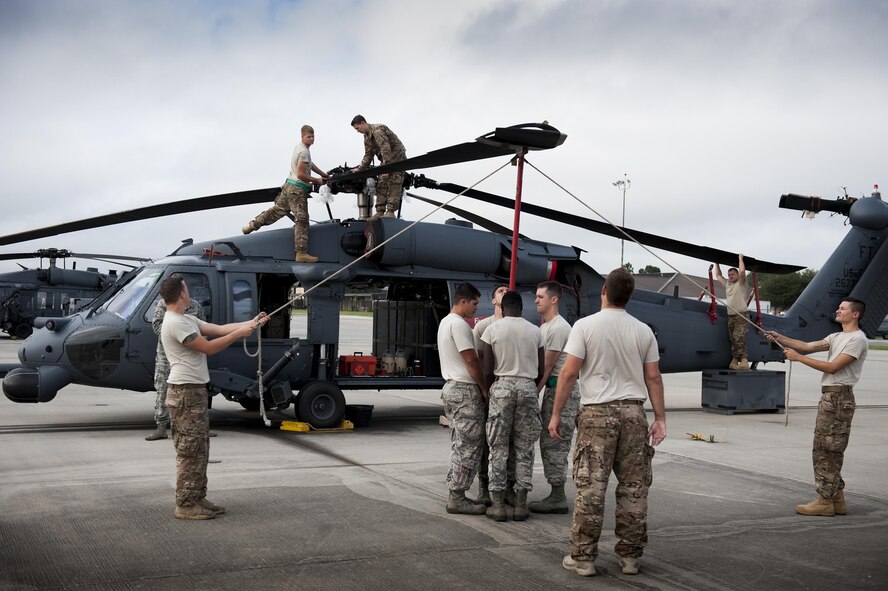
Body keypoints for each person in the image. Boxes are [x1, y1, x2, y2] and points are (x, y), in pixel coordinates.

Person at [550, 268, 666, 577]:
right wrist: (661, 418)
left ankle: (584, 557)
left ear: (604, 291)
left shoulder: (585, 326)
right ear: (629, 296)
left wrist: (557, 413)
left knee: (591, 488)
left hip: (597, 415)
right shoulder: (643, 331)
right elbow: (652, 376)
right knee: (633, 489)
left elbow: (569, 372)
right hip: (634, 414)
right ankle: (630, 557)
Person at [160, 275, 267, 520]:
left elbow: (217, 329)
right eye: (187, 289)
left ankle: (197, 496)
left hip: (193, 390)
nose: (189, 292)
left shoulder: (185, 318)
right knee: (190, 450)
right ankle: (185, 504)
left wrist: (251, 323)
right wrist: (240, 333)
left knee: (200, 448)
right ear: (182, 295)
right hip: (184, 391)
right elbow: (208, 347)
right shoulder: (176, 323)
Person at [765, 297, 868, 517]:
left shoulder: (857, 339)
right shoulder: (837, 336)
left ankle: (824, 500)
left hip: (839, 400)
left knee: (826, 450)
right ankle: (836, 498)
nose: (837, 311)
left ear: (855, 314)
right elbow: (807, 346)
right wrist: (780, 337)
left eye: (842, 308)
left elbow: (832, 367)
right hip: (831, 398)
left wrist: (799, 359)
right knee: (828, 448)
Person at [480, 291, 544, 521]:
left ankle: (497, 504)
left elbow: (487, 369)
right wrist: (528, 385)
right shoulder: (535, 330)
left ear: (504, 308)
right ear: (521, 308)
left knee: (498, 447)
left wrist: (489, 393)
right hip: (527, 387)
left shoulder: (492, 330)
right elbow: (541, 369)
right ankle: (520, 504)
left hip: (502, 387)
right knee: (524, 448)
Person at [529, 280, 581, 514]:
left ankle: (558, 496)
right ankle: (555, 492)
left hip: (560, 390)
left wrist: (532, 395)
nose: (536, 300)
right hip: (553, 389)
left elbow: (547, 367)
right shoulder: (546, 327)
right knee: (548, 441)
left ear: (554, 299)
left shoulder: (558, 328)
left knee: (555, 441)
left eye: (540, 297)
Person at [437, 282, 488, 515]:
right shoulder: (459, 325)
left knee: (459, 443)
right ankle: (457, 496)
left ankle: (456, 491)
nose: (476, 308)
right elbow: (471, 360)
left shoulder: (445, 322)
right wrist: (484, 387)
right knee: (468, 445)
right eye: (475, 303)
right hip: (465, 390)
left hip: (451, 387)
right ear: (464, 301)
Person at [243, 125, 329, 263]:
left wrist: (323, 174)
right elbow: (301, 174)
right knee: (302, 220)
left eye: (313, 136)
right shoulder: (304, 152)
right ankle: (301, 253)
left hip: (289, 186)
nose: (311, 139)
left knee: (277, 210)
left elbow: (309, 165)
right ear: (302, 136)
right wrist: (317, 180)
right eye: (309, 136)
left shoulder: (300, 147)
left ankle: (252, 225)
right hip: (297, 189)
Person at [145, 297, 205, 441]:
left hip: (189, 355)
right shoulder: (163, 303)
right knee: (163, 389)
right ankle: (161, 427)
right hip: (166, 355)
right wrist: (177, 334)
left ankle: (196, 427)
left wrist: (190, 339)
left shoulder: (195, 305)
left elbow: (202, 327)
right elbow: (156, 325)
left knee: (192, 389)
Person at [471, 283, 508, 506]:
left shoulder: (519, 326)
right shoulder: (483, 327)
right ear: (493, 300)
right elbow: (476, 359)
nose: (504, 293)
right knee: (486, 442)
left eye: (507, 291)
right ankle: (484, 486)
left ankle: (507, 487)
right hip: (488, 392)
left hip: (507, 393)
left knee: (509, 443)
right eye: (500, 291)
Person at [350, 115, 406, 220]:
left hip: (397, 159)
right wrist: (360, 168)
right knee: (381, 183)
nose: (357, 131)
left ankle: (390, 211)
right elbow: (368, 155)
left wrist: (386, 169)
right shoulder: (367, 136)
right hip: (386, 160)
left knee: (393, 181)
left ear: (363, 123)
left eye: (357, 128)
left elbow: (386, 149)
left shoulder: (377, 131)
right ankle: (380, 211)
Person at [714, 255, 750, 370]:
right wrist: (717, 263)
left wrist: (740, 258)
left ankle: (744, 360)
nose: (730, 276)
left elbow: (743, 272)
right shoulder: (728, 284)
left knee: (738, 337)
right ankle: (734, 360)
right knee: (732, 338)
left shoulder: (741, 283)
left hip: (741, 315)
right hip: (731, 316)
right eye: (729, 275)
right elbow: (718, 276)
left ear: (737, 275)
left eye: (732, 274)